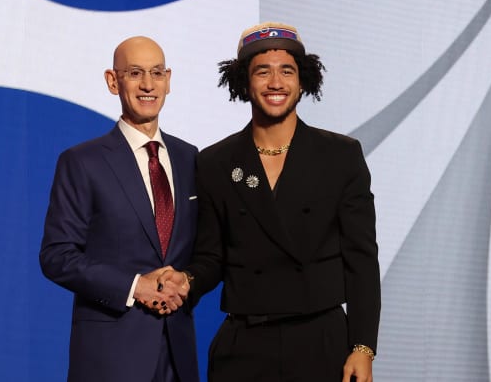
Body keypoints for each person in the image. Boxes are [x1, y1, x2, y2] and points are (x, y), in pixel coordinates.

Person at [159, 22, 381, 382]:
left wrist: (362, 347)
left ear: (303, 79)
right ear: (244, 82)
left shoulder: (341, 155)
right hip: (245, 346)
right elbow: (211, 257)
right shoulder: (216, 162)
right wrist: (185, 280)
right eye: (263, 71)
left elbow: (362, 259)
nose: (275, 82)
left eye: (286, 71)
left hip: (323, 342)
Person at [39, 36, 199, 382]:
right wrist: (134, 286)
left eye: (156, 73)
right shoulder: (82, 162)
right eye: (135, 73)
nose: (147, 85)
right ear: (113, 81)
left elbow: (202, 249)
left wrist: (186, 280)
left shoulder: (190, 158)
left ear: (168, 80)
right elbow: (57, 255)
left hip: (178, 353)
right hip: (110, 356)